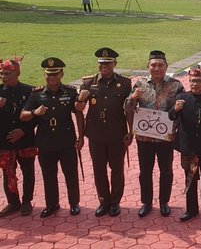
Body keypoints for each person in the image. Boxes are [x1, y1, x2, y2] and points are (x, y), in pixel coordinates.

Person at [21, 57, 85, 218]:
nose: (52, 78)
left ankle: (74, 203)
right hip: (45, 143)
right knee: (48, 175)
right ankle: (52, 204)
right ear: (44, 75)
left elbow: (78, 114)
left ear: (61, 74)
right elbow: (23, 115)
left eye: (55, 74)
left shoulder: (70, 92)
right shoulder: (36, 94)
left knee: (70, 174)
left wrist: (81, 137)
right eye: (49, 75)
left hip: (66, 142)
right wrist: (35, 112)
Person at [124, 50, 184, 218]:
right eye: (153, 65)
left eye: (160, 65)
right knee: (145, 171)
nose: (157, 68)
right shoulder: (140, 84)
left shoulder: (176, 85)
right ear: (148, 67)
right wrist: (133, 98)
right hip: (144, 137)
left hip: (165, 137)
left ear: (166, 66)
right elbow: (127, 108)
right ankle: (146, 202)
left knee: (166, 171)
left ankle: (164, 201)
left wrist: (176, 131)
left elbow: (181, 111)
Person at [77, 48, 132, 217]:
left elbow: (129, 110)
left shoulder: (124, 83)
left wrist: (131, 132)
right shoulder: (88, 82)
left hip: (117, 134)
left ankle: (115, 202)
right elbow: (78, 109)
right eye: (101, 63)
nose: (104, 66)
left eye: (108, 63)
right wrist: (81, 98)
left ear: (115, 64)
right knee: (99, 169)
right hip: (96, 135)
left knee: (117, 169)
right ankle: (103, 201)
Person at [168, 66, 201, 225]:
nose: (194, 84)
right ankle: (191, 209)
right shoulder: (182, 97)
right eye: (191, 81)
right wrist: (175, 109)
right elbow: (171, 116)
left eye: (198, 81)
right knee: (190, 179)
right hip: (188, 147)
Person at [0, 58, 36, 217]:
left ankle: (27, 200)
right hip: (5, 141)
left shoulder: (30, 91)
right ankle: (13, 202)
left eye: (7, 73)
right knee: (8, 172)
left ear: (17, 73)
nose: (3, 76)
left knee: (28, 171)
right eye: (1, 73)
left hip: (25, 139)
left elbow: (36, 116)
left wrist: (23, 130)